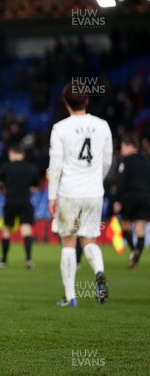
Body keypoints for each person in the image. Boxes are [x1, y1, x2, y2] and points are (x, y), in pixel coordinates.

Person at [48, 82, 112, 307]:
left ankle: (70, 296)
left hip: (69, 192)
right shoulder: (102, 125)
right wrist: (97, 180)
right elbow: (107, 160)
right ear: (87, 100)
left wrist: (51, 197)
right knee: (89, 239)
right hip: (94, 191)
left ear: (65, 102)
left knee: (68, 242)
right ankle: (100, 271)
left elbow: (55, 166)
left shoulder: (60, 128)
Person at [0, 143, 40, 269]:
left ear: (11, 153)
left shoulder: (5, 167)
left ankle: (4, 260)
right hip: (25, 201)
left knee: (6, 230)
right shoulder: (31, 168)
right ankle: (28, 259)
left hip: (10, 201)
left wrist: (2, 187)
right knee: (26, 230)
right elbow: (35, 187)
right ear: (23, 154)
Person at [113, 135, 150, 269]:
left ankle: (134, 250)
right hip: (146, 196)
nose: (122, 150)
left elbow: (121, 182)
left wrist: (117, 200)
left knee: (125, 225)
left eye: (123, 147)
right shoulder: (147, 160)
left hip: (130, 196)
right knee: (140, 228)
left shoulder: (126, 161)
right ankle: (136, 256)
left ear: (130, 146)